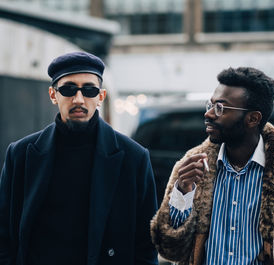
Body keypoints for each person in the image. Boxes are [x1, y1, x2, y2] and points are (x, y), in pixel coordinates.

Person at [0, 51, 158, 265]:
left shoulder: (134, 158)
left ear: (101, 97)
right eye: (68, 89)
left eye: (89, 90)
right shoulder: (20, 154)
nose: (79, 99)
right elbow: (4, 236)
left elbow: (145, 246)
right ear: (53, 94)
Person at [151, 67, 274, 265]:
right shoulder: (193, 163)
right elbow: (169, 249)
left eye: (220, 108)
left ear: (253, 119)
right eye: (210, 105)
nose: (209, 114)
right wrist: (182, 194)